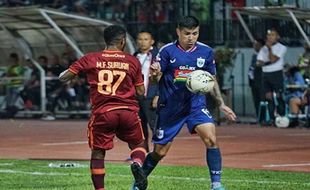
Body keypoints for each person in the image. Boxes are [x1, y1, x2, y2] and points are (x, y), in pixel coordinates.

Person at [132, 16, 237, 190]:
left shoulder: (206, 52)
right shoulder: (166, 51)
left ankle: (216, 185)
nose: (191, 37)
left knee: (211, 138)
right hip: (170, 108)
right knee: (160, 152)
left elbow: (210, 79)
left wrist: (221, 103)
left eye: (195, 33)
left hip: (195, 105)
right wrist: (155, 74)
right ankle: (139, 182)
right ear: (178, 32)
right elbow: (156, 78)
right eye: (187, 34)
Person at [59, 25, 148, 190]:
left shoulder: (90, 58)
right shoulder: (132, 60)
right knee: (139, 145)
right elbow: (141, 92)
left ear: (105, 40)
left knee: (98, 153)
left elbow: (64, 78)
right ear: (123, 41)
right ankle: (136, 162)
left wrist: (66, 73)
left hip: (103, 113)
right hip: (128, 111)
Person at [134, 30, 159, 152]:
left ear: (152, 41)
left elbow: (164, 77)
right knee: (140, 127)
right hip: (137, 98)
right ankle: (144, 152)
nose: (142, 42)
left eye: (146, 39)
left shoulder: (158, 56)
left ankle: (157, 152)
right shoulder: (134, 56)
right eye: (140, 39)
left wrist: (158, 95)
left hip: (151, 96)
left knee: (155, 126)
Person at [256, 28, 287, 124]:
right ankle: (272, 119)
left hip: (276, 73)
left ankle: (282, 116)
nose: (270, 37)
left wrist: (269, 49)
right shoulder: (263, 48)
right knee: (268, 97)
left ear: (277, 37)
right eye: (269, 35)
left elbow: (273, 59)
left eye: (272, 35)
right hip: (265, 74)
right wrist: (265, 62)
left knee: (278, 95)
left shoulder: (281, 47)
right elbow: (258, 62)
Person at [248, 39, 265, 117]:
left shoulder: (264, 55)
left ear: (261, 46)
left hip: (261, 80)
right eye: (254, 44)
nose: (254, 46)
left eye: (256, 45)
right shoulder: (254, 55)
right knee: (256, 100)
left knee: (261, 99)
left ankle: (262, 117)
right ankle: (258, 116)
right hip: (253, 81)